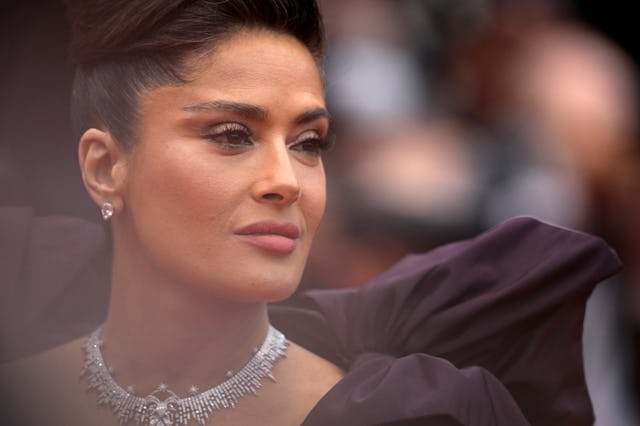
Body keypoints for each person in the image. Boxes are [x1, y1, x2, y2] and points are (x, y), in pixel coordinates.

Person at [0, 0, 621, 425]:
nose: (286, 182)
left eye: (308, 144)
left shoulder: (414, 413)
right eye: (230, 134)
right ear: (106, 168)